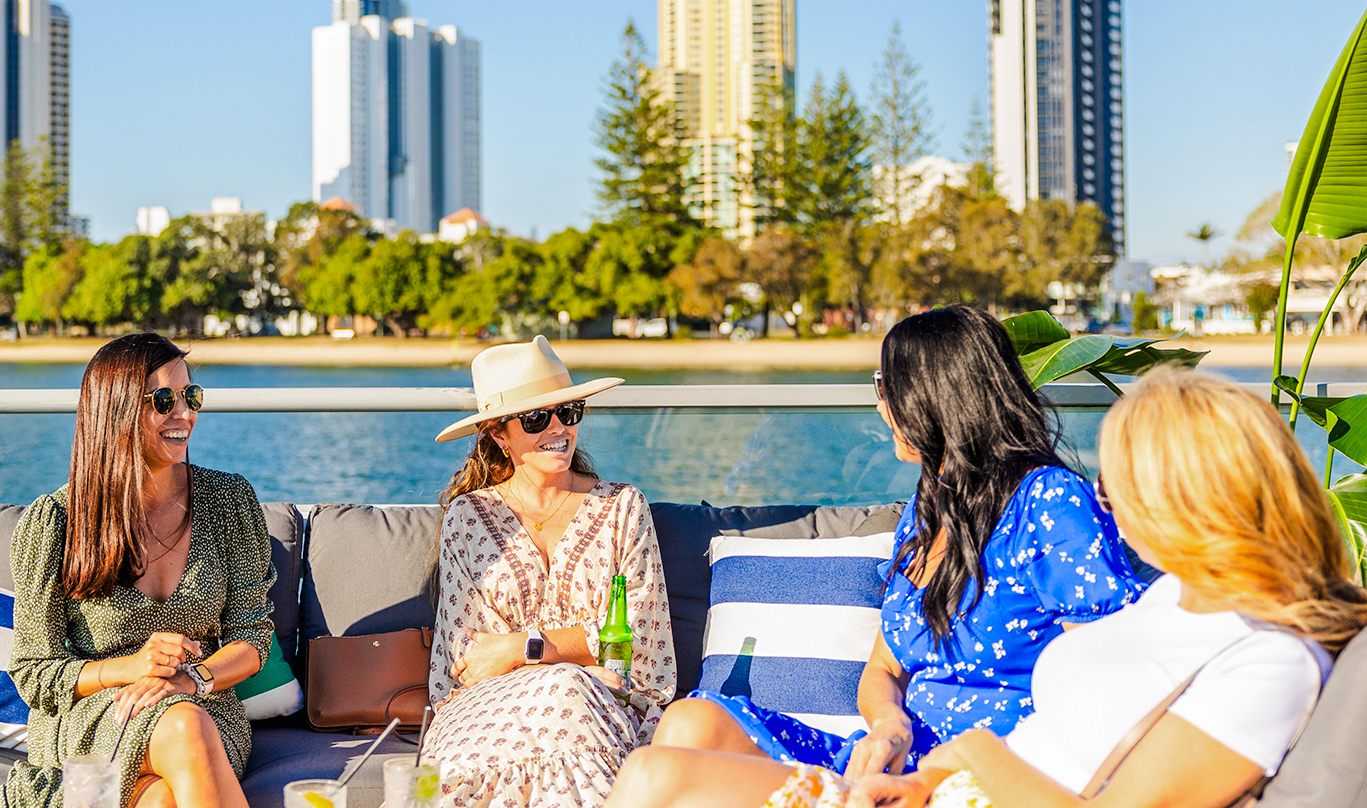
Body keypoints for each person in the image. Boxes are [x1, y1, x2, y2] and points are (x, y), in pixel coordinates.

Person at [606, 367, 1367, 808]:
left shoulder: (1267, 658)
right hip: (946, 784)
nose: (1099, 500)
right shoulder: (1177, 596)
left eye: (1116, 485)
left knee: (657, 777)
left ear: (1189, 496)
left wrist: (963, 756)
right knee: (678, 745)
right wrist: (924, 767)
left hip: (973, 789)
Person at [646, 306, 1144, 780]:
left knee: (666, 777)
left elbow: (1106, 670)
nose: (880, 404)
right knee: (691, 723)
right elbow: (884, 666)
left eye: (886, 387)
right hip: (899, 757)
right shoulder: (926, 512)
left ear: (936, 398)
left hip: (994, 769)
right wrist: (888, 724)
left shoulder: (1049, 502)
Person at [0, 334, 277, 808]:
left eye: (190, 396)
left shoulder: (229, 502)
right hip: (97, 713)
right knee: (179, 740)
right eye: (163, 401)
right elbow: (35, 673)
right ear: (115, 412)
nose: (185, 414)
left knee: (165, 790)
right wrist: (132, 667)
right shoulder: (57, 522)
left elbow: (253, 641)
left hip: (204, 703)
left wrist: (191, 679)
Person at [420, 335, 677, 808]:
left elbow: (645, 649)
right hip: (487, 718)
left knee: (567, 694)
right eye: (537, 417)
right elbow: (464, 665)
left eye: (570, 411)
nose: (559, 428)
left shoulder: (622, 508)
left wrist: (522, 647)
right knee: (560, 692)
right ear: (500, 434)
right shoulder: (468, 517)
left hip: (598, 710)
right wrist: (583, 653)